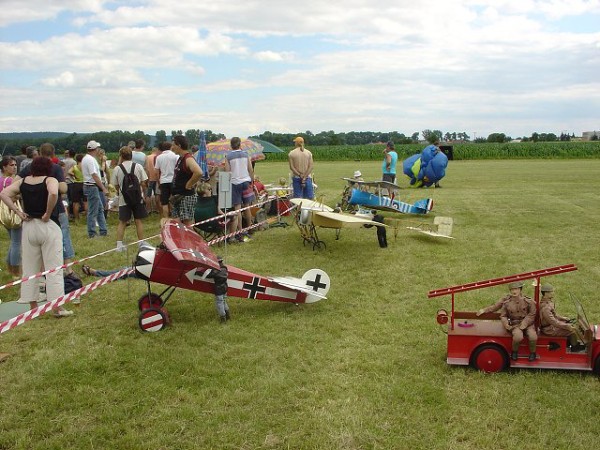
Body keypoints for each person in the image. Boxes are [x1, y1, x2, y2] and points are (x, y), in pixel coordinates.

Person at [0, 156, 72, 317]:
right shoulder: (50, 180)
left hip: (29, 226)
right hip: (48, 226)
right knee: (53, 268)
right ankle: (57, 307)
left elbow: (4, 194)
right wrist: (47, 212)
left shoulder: (23, 181)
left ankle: (32, 306)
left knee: (30, 267)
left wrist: (18, 211)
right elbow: (54, 193)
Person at [111, 146, 149, 252]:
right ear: (131, 155)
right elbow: (143, 182)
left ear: (121, 156)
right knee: (138, 220)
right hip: (137, 197)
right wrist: (143, 194)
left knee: (122, 222)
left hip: (124, 198)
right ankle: (141, 242)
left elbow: (116, 185)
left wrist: (120, 192)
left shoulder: (118, 168)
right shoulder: (138, 166)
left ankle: (119, 244)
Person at [224, 136, 254, 241]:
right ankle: (250, 228)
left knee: (238, 208)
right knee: (247, 206)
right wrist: (252, 181)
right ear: (240, 144)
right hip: (246, 182)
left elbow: (227, 172)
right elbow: (250, 169)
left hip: (235, 183)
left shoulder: (228, 156)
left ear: (231, 145)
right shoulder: (246, 155)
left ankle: (240, 230)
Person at [539, 284, 585, 351]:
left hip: (551, 326)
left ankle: (570, 343)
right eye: (551, 291)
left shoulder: (548, 302)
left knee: (569, 325)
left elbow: (554, 315)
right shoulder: (546, 308)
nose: (553, 293)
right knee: (572, 331)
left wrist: (564, 318)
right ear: (546, 293)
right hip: (549, 329)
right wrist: (567, 326)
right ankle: (575, 347)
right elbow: (553, 321)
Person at [499, 281, 537, 361]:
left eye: (516, 289)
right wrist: (506, 324)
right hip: (515, 324)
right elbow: (503, 316)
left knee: (533, 336)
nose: (514, 291)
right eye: (512, 289)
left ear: (520, 290)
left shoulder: (528, 301)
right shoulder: (507, 303)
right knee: (517, 337)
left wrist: (525, 323)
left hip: (528, 323)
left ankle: (533, 353)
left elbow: (532, 314)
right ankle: (514, 352)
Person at [170, 135, 202, 227]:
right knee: (177, 223)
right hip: (179, 195)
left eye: (173, 145)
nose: (172, 148)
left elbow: (198, 172)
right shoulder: (181, 158)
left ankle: (192, 241)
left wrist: (189, 184)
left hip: (186, 196)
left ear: (179, 145)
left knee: (187, 224)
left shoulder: (188, 158)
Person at [0, 156, 22, 278]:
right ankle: (15, 271)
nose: (14, 167)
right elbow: (10, 197)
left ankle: (10, 267)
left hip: (3, 214)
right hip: (13, 212)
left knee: (13, 242)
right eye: (11, 165)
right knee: (16, 243)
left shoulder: (0, 180)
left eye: (15, 165)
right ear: (4, 167)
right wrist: (18, 196)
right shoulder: (10, 181)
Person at [82, 140, 108, 238]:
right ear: (95, 149)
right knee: (93, 211)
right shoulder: (90, 160)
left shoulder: (87, 158)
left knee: (100, 209)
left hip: (91, 186)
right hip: (91, 186)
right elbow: (94, 175)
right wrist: (103, 188)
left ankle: (103, 230)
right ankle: (92, 232)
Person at [155, 141, 179, 222]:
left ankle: (166, 219)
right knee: (175, 200)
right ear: (170, 147)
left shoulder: (159, 157)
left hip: (163, 181)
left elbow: (156, 171)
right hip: (173, 180)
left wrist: (159, 182)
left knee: (164, 202)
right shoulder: (175, 156)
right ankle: (175, 217)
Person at [206, 256, 230, 323]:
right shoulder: (225, 268)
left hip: (219, 289)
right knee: (224, 301)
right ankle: (228, 316)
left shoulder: (215, 270)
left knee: (220, 303)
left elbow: (208, 275)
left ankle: (223, 319)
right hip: (225, 287)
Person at [145, 147, 160, 213]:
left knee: (148, 194)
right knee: (157, 194)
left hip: (149, 178)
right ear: (156, 150)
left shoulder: (147, 157)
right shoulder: (157, 157)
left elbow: (146, 169)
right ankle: (157, 209)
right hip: (156, 178)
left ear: (152, 151)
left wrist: (147, 178)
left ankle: (148, 209)